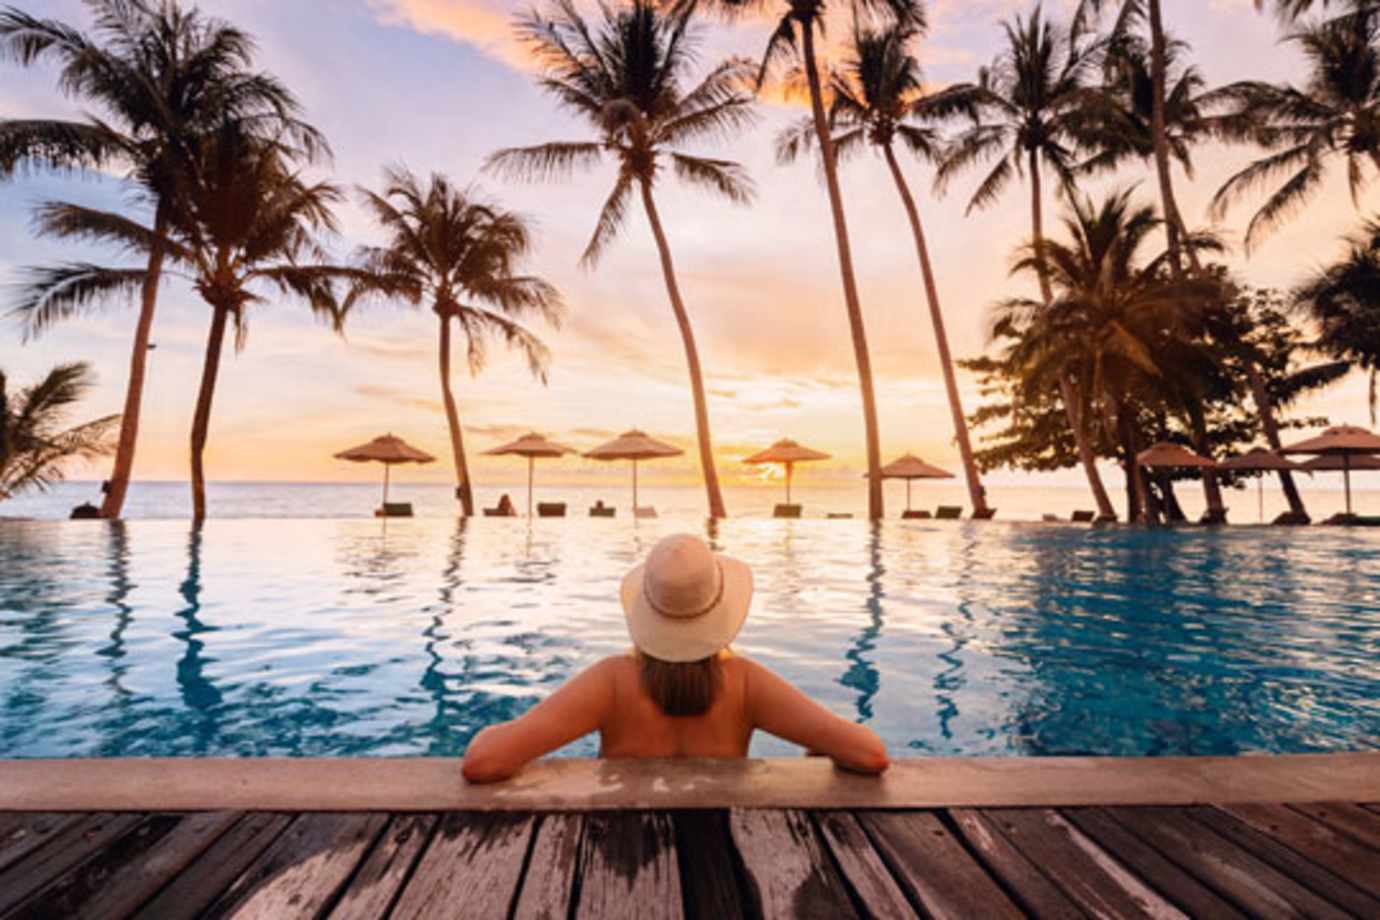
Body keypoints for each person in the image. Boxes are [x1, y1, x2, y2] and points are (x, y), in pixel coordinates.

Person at [462, 533, 889, 783]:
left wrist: (497, 731)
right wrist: (819, 746)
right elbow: (869, 754)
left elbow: (484, 762)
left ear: (647, 606)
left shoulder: (612, 682)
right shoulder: (745, 683)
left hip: (622, 862)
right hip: (721, 859)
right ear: (720, 606)